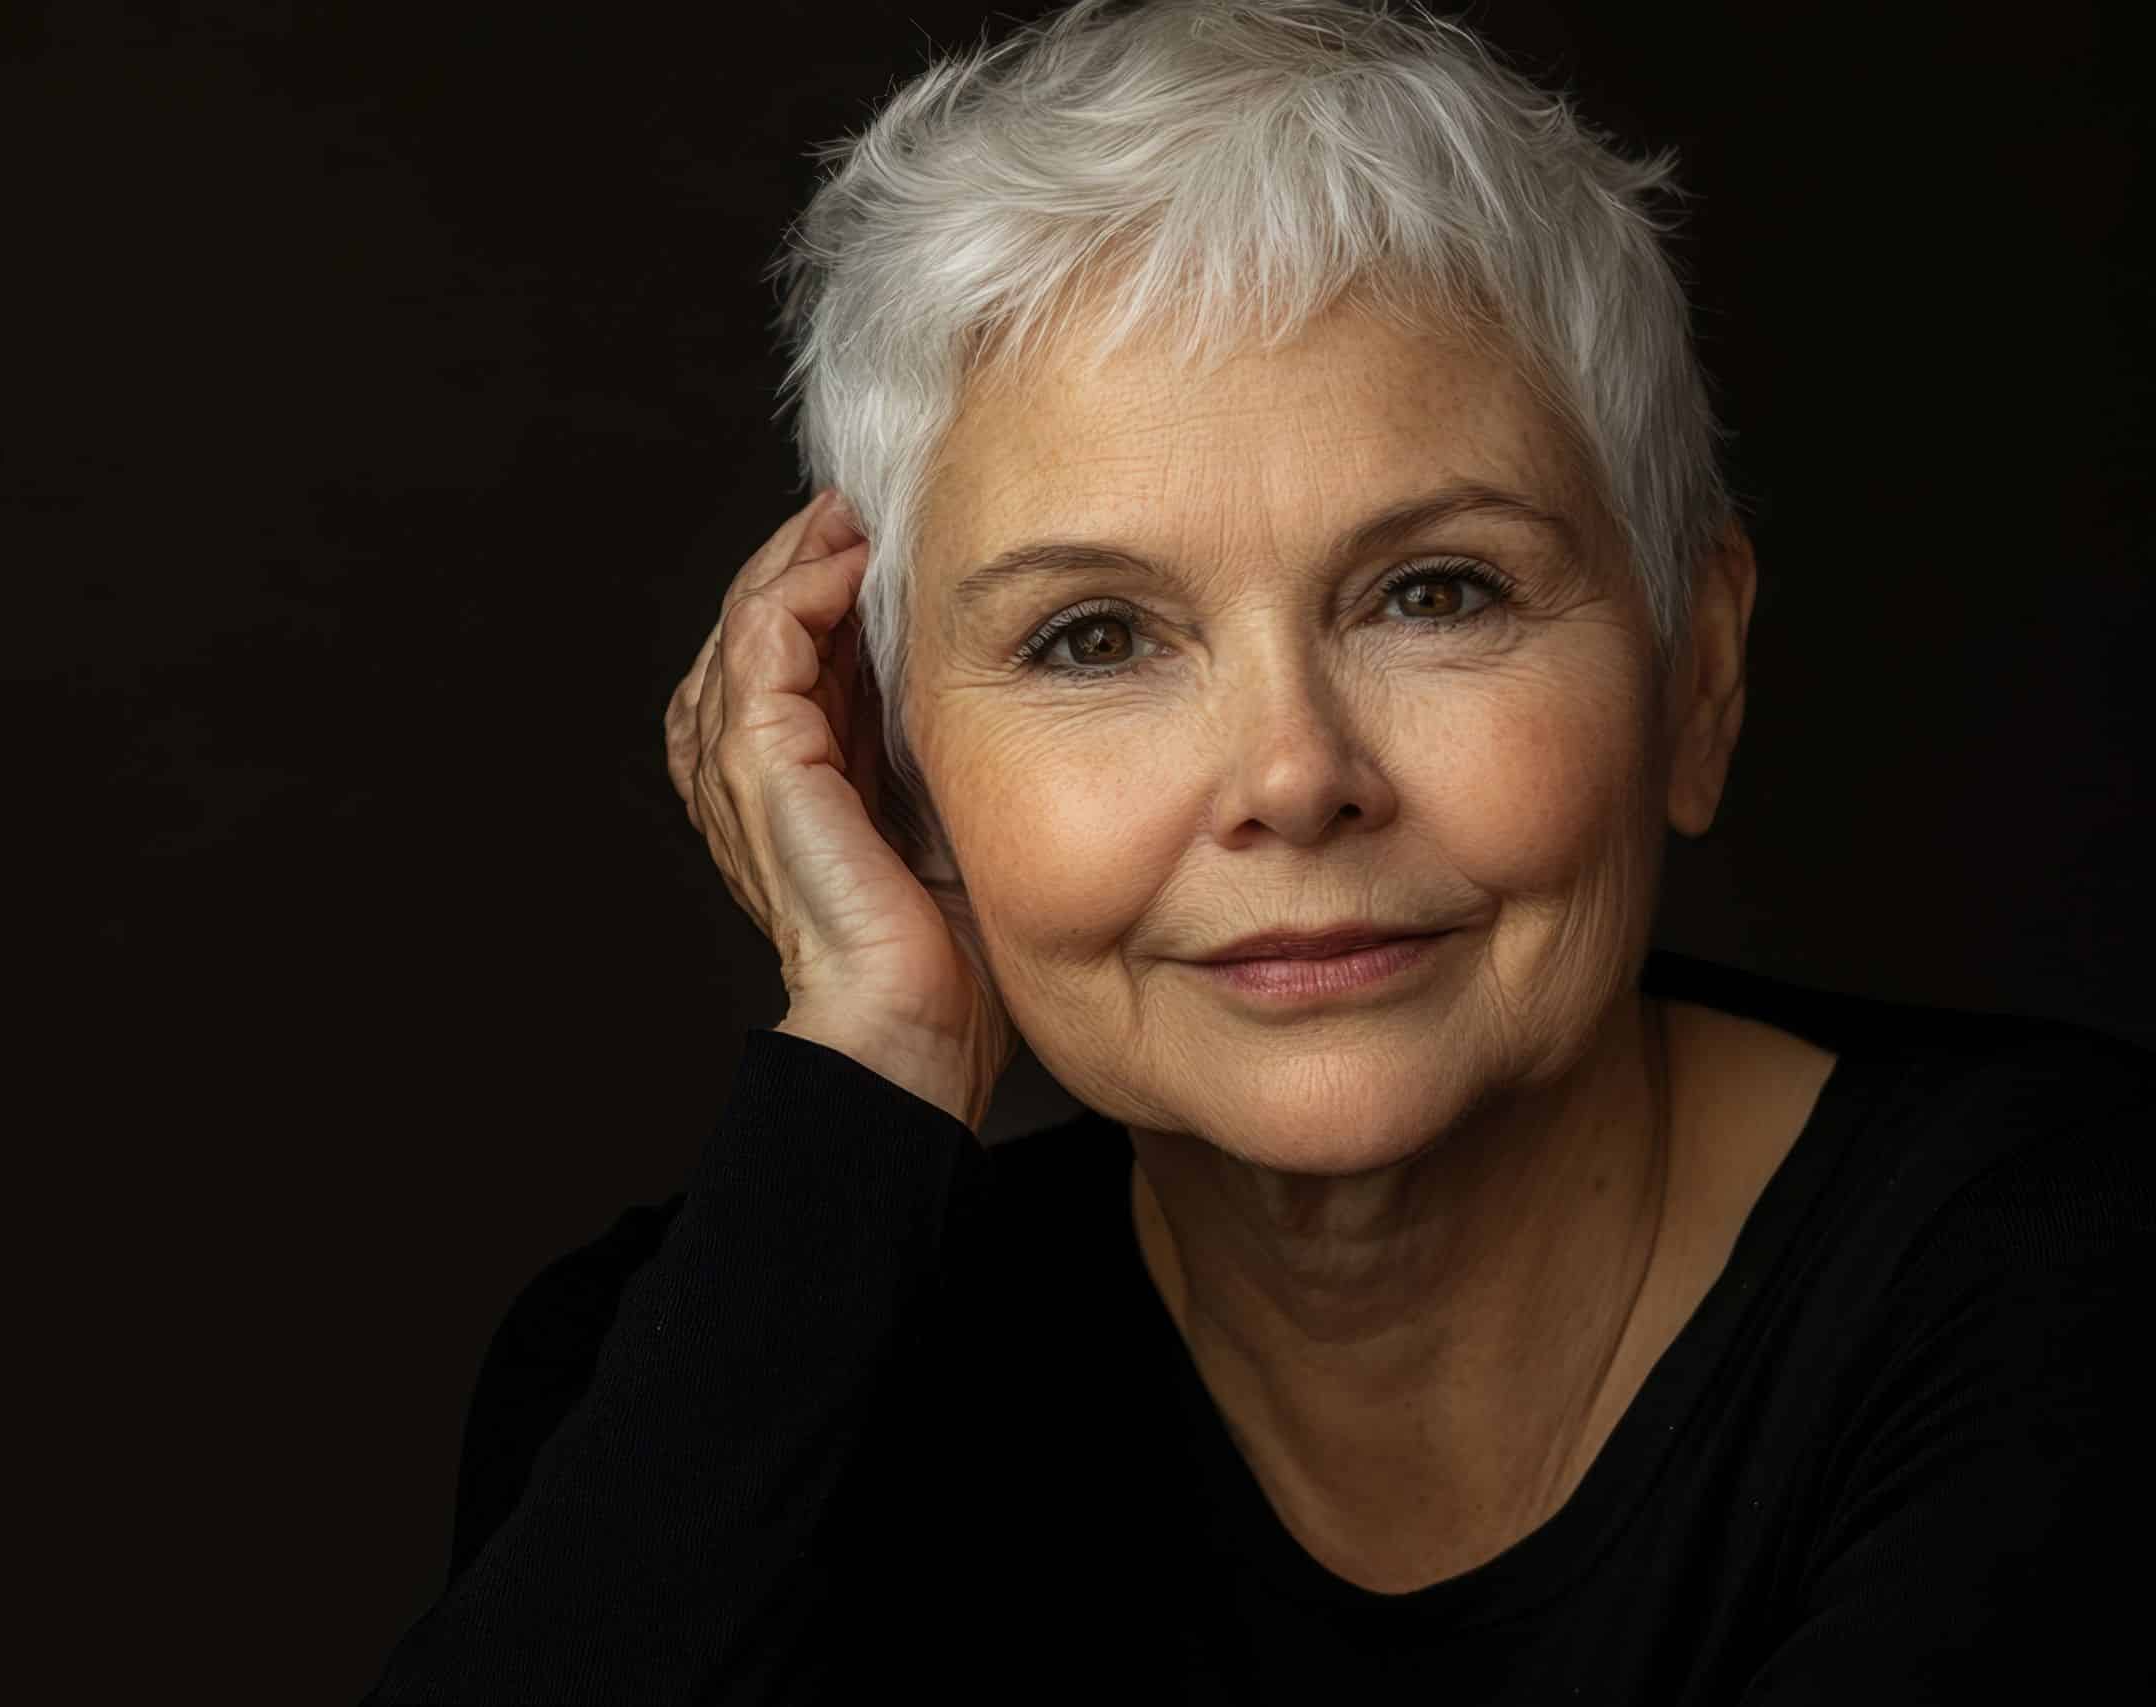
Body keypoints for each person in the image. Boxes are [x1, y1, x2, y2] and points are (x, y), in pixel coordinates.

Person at [363, 2, 2153, 1700]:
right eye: (1094, 637)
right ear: (897, 775)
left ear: (1696, 677)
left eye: (1434, 593)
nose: (1296, 778)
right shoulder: (698, 1373)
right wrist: (876, 1049)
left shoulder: (2081, 1278)